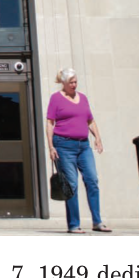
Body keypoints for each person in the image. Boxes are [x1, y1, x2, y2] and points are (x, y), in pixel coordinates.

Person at [45, 67, 111, 234]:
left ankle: (97, 221)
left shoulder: (83, 98)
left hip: (84, 146)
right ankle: (74, 224)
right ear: (64, 83)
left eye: (76, 82)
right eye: (71, 82)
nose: (74, 85)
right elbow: (50, 123)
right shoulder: (56, 99)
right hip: (64, 146)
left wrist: (98, 138)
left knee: (92, 180)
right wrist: (51, 146)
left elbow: (90, 120)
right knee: (72, 185)